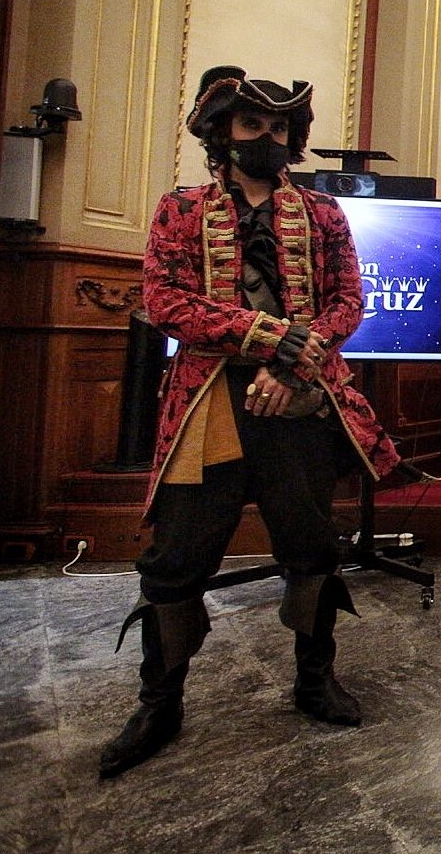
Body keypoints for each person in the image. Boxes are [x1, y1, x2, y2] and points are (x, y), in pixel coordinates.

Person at [99, 65, 402, 780]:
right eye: (251, 124)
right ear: (222, 132)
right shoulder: (180, 210)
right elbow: (166, 302)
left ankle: (314, 680)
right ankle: (159, 703)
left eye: (278, 127)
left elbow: (346, 305)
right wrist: (269, 337)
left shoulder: (325, 214)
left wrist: (294, 364)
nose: (266, 136)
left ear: (293, 138)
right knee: (177, 559)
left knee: (311, 544)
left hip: (297, 401)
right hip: (208, 403)